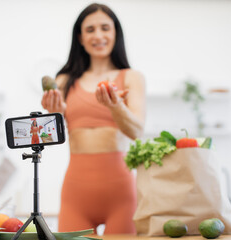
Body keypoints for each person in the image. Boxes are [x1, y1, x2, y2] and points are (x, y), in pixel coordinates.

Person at [41, 3, 145, 234]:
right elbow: (48, 138)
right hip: (75, 194)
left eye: (105, 28)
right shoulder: (64, 80)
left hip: (121, 194)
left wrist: (116, 106)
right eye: (90, 30)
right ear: (80, 37)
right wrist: (53, 114)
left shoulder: (131, 77)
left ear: (115, 32)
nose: (98, 35)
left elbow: (137, 131)